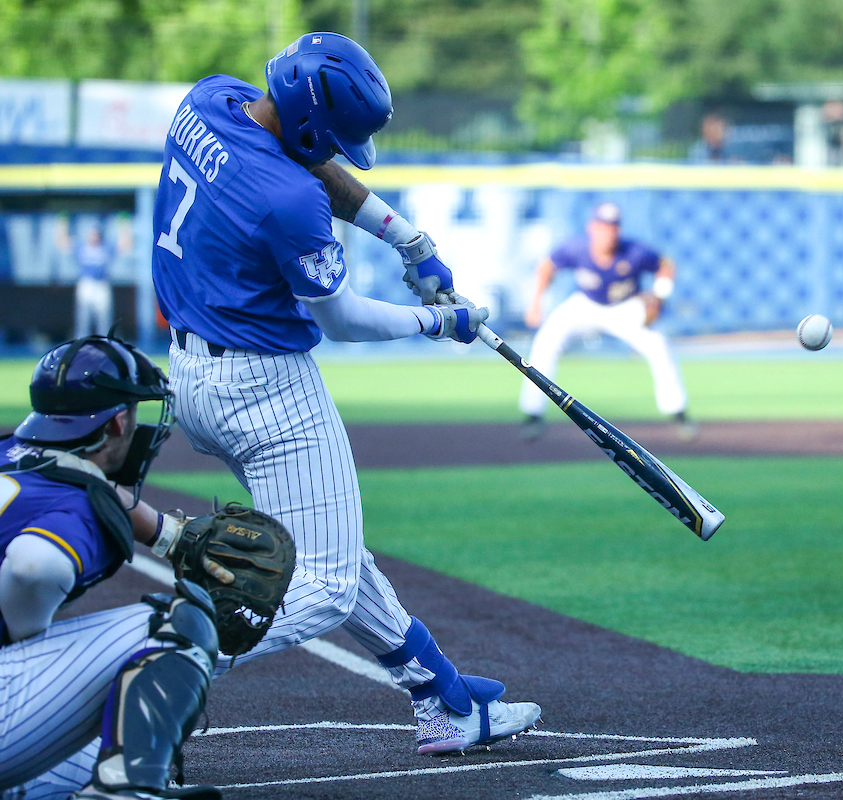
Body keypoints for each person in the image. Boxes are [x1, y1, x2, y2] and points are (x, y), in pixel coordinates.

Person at [150, 31, 540, 756]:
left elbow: (312, 159)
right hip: (264, 389)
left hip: (192, 378)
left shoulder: (209, 100)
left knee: (337, 548)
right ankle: (140, 674)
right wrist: (440, 319)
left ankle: (441, 697)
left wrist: (410, 242)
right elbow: (344, 318)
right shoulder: (286, 198)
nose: (334, 152)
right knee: (323, 584)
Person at [0, 336, 225, 800]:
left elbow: (85, 481)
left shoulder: (13, 457)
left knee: (94, 756)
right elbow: (32, 567)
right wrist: (25, 632)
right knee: (172, 622)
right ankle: (123, 793)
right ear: (120, 421)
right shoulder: (76, 501)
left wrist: (169, 536)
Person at [521, 201, 695, 441]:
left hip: (626, 308)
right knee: (546, 340)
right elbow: (547, 266)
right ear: (592, 228)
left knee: (659, 346)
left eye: (612, 228)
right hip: (585, 304)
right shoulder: (577, 248)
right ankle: (533, 414)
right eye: (603, 227)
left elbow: (665, 266)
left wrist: (659, 295)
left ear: (618, 231)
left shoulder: (634, 251)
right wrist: (536, 303)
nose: (607, 233)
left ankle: (679, 414)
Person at [73, 228, 114, 339]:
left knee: (104, 318)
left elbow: (125, 245)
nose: (93, 237)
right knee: (83, 318)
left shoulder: (105, 247)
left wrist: (124, 226)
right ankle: (81, 343)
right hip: (86, 283)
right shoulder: (82, 247)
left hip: (101, 283)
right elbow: (62, 243)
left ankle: (105, 342)